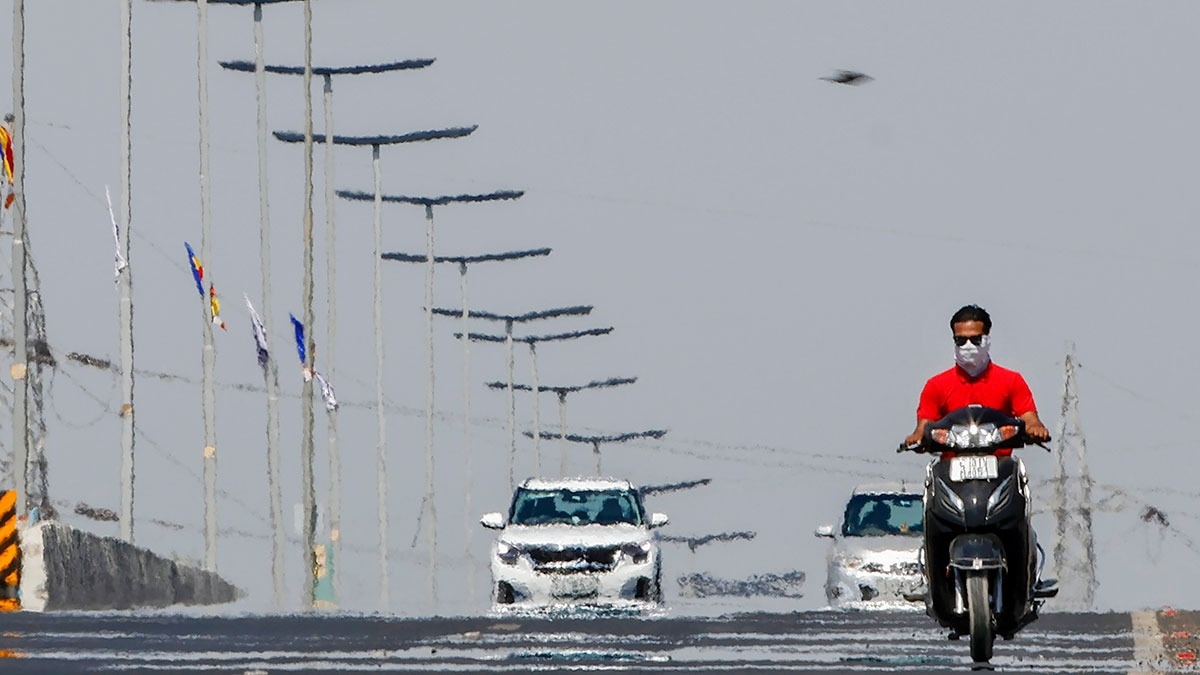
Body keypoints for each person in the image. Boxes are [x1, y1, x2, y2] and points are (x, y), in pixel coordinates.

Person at [904, 304, 1050, 448]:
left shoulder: (1012, 380)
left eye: (975, 340)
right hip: (950, 465)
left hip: (1001, 463)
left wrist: (1035, 428)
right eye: (961, 340)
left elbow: (1030, 418)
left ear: (987, 339)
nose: (968, 346)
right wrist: (918, 436)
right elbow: (924, 425)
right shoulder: (936, 385)